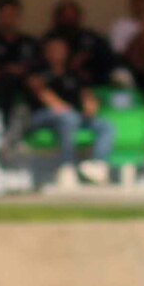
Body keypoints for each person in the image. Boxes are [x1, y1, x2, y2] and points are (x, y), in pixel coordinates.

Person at [27, 33, 113, 189]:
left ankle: (98, 165)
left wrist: (89, 104)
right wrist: (61, 107)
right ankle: (66, 166)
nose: (57, 53)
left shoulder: (72, 73)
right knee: (68, 118)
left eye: (61, 49)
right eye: (53, 49)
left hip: (73, 115)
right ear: (46, 52)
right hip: (43, 116)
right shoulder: (37, 70)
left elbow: (86, 93)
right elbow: (41, 91)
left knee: (104, 125)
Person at [46, 0, 118, 87]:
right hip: (61, 83)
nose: (69, 19)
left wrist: (89, 58)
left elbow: (109, 59)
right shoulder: (50, 39)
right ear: (58, 18)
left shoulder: (91, 37)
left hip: (94, 83)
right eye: (66, 16)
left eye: (72, 16)